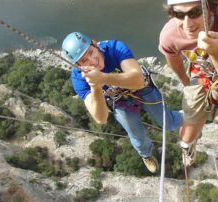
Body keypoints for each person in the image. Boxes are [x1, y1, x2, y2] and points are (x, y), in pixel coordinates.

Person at [159, 0, 218, 183]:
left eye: (195, 12)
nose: (187, 23)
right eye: (179, 14)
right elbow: (171, 56)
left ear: (210, 8)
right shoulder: (170, 33)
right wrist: (185, 81)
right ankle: (190, 145)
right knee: (186, 136)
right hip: (203, 74)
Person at [62, 32, 183, 173]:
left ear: (95, 44)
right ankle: (146, 155)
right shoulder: (79, 78)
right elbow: (101, 119)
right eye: (84, 61)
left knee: (168, 123)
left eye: (90, 52)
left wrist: (103, 78)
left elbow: (138, 80)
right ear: (78, 66)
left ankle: (188, 118)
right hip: (119, 102)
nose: (92, 61)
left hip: (142, 88)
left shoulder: (115, 48)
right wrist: (95, 86)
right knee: (138, 137)